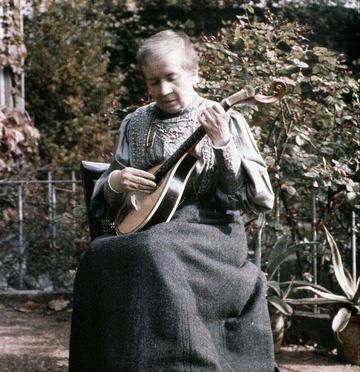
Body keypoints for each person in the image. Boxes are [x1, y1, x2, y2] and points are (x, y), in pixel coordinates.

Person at [69, 30, 277, 371]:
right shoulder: (134, 124)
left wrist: (222, 143)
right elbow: (110, 190)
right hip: (149, 227)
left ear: (193, 72)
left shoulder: (225, 119)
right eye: (153, 82)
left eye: (171, 78)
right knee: (97, 254)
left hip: (212, 232)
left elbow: (251, 197)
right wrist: (117, 182)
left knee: (156, 250)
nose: (163, 90)